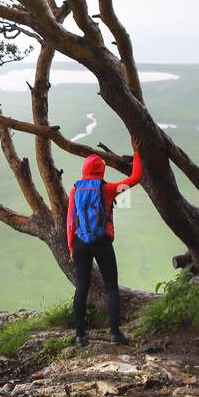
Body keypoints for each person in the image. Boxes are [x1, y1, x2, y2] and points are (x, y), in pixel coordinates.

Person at [66, 145, 142, 346]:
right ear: (102, 170)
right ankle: (115, 333)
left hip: (81, 243)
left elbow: (70, 221)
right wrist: (136, 152)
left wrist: (72, 248)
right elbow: (135, 178)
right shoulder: (108, 189)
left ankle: (80, 335)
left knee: (82, 287)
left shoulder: (75, 189)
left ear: (84, 169)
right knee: (111, 287)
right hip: (103, 242)